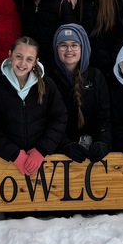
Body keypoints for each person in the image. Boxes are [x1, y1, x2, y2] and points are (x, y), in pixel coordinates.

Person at [0, 36, 68, 176]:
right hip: (6, 164)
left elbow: (60, 118)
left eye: (29, 59)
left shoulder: (48, 85)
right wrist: (13, 154)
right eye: (18, 56)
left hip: (42, 163)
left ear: (35, 61)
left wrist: (42, 150)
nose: (22, 63)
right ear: (10, 55)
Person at [48, 24, 112, 164]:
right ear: (56, 48)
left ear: (83, 48)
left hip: (94, 154)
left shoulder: (96, 76)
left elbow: (105, 116)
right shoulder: (48, 80)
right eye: (63, 45)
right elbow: (47, 119)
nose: (69, 50)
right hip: (60, 155)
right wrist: (64, 144)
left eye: (74, 45)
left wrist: (103, 141)